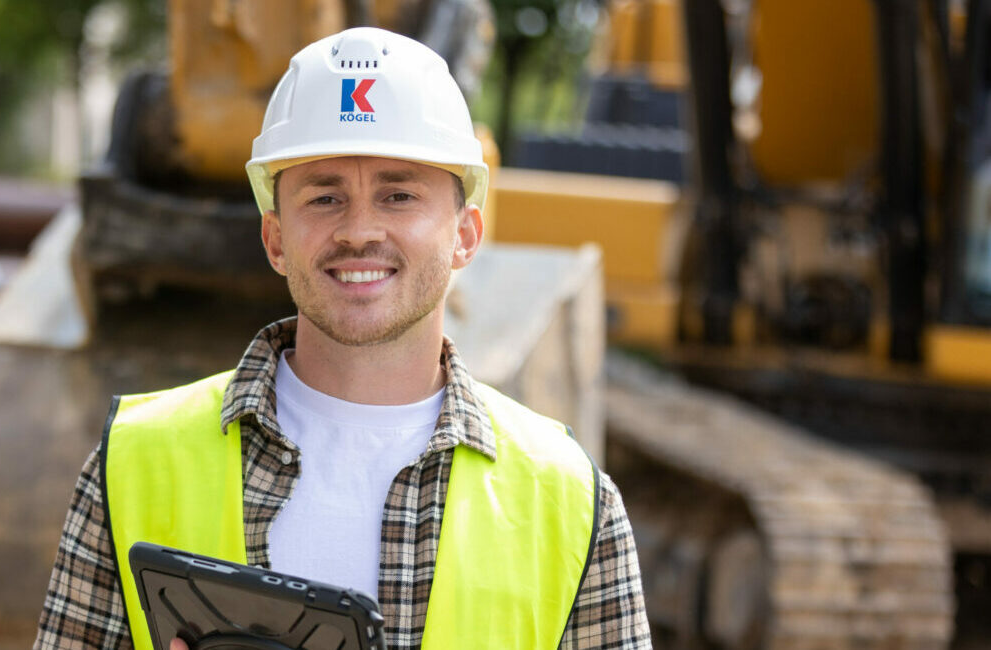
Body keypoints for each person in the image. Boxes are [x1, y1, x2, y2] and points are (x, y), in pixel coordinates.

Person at [35, 27, 651, 650]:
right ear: (276, 240)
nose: (359, 230)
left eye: (399, 195)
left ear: (466, 234)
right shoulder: (134, 463)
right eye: (325, 197)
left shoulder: (570, 502)